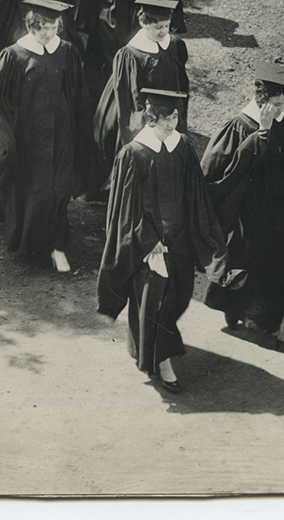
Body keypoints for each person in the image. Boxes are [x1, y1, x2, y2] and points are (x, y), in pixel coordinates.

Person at [97, 90, 226, 392]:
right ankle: (163, 363)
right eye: (166, 118)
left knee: (178, 298)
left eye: (176, 117)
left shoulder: (183, 149)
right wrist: (147, 240)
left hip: (179, 240)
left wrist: (197, 233)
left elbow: (194, 195)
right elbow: (124, 208)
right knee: (155, 303)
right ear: (151, 118)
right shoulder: (133, 154)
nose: (172, 124)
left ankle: (142, 348)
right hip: (149, 246)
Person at [201, 60, 284, 364]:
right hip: (251, 214)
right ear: (262, 100)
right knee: (252, 267)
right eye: (277, 103)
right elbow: (217, 175)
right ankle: (235, 309)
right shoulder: (239, 127)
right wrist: (263, 133)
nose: (283, 107)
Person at [0, 0, 89, 272]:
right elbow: (2, 101)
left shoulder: (66, 51)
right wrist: (9, 140)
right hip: (28, 135)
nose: (48, 33)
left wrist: (82, 131)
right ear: (31, 26)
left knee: (60, 188)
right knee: (36, 190)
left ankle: (58, 246)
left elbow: (77, 94)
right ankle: (32, 242)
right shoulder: (14, 55)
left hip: (62, 132)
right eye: (42, 27)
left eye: (53, 26)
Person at [94, 0, 189, 182]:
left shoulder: (175, 44)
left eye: (166, 26)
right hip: (143, 113)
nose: (163, 32)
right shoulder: (131, 54)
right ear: (144, 23)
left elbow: (182, 81)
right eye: (158, 27)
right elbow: (131, 97)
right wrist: (142, 125)